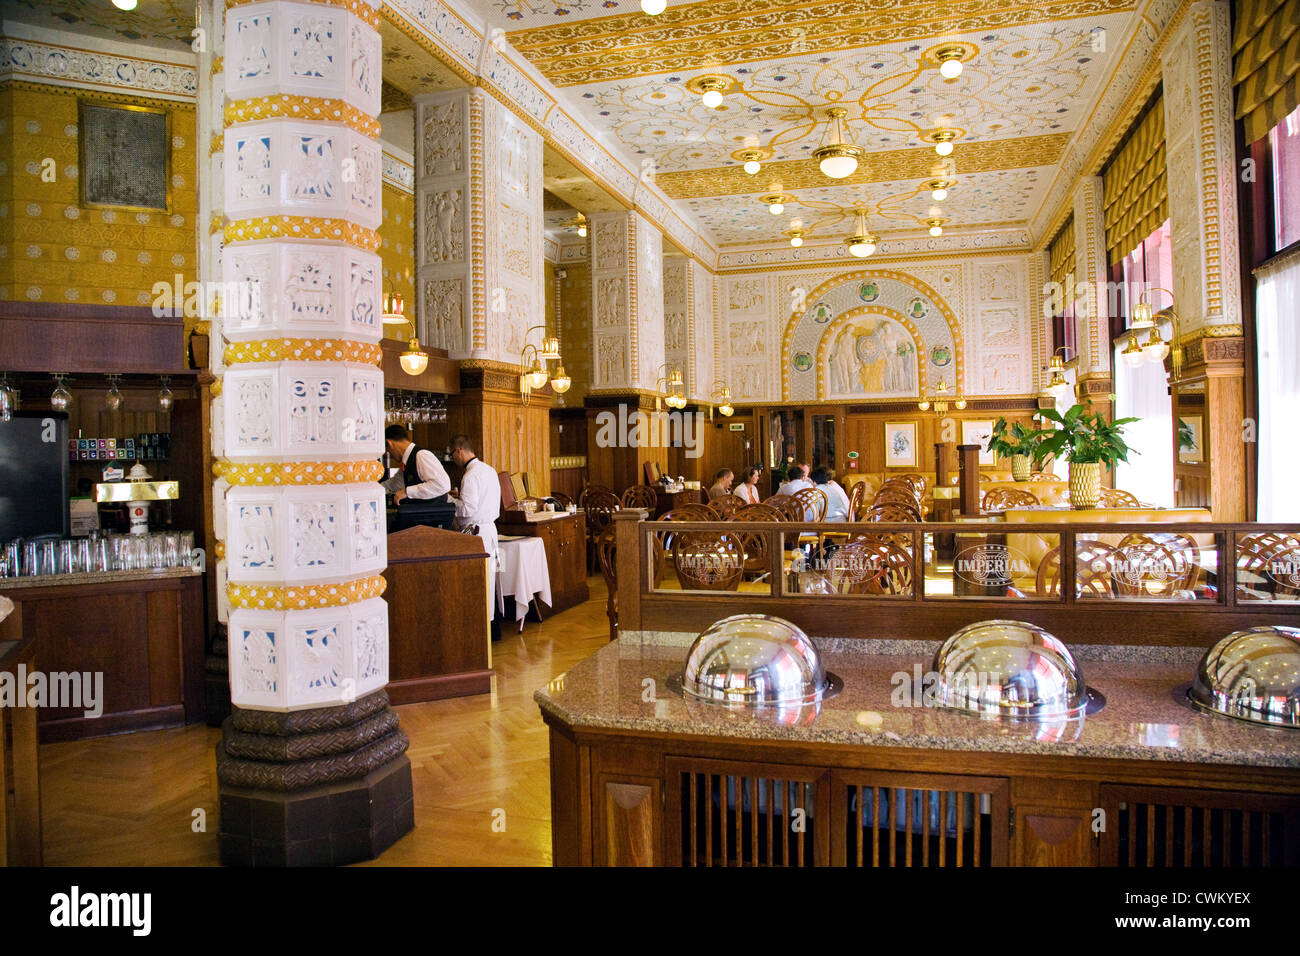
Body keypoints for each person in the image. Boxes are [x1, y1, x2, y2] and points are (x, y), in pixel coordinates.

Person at [448, 434, 501, 611]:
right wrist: (460, 498)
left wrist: (449, 501)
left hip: (476, 533)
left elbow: (468, 509)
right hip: (490, 530)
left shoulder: (470, 476)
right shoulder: (489, 469)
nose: (453, 458)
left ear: (459, 450)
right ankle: (493, 626)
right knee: (490, 580)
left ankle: (485, 626)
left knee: (478, 581)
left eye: (452, 454)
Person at [385, 424, 450, 503]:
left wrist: (407, 492)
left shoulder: (421, 455)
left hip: (433, 513)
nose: (390, 455)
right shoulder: (407, 461)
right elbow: (394, 484)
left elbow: (442, 485)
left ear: (389, 443)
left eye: (388, 451)